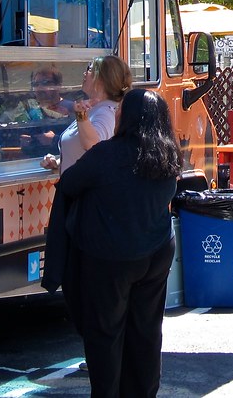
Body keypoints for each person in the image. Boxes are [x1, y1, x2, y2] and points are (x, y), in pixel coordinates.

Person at [56, 88, 181, 398]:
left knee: (105, 333)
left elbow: (69, 183)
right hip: (157, 250)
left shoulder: (107, 154)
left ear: (129, 118)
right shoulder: (168, 155)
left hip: (111, 254)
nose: (115, 113)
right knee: (147, 331)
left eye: (119, 109)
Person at [41, 55, 132, 173]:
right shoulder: (96, 109)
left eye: (89, 69)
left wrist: (81, 115)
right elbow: (83, 155)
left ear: (101, 79)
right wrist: (58, 163)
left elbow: (93, 147)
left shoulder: (106, 112)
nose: (84, 73)